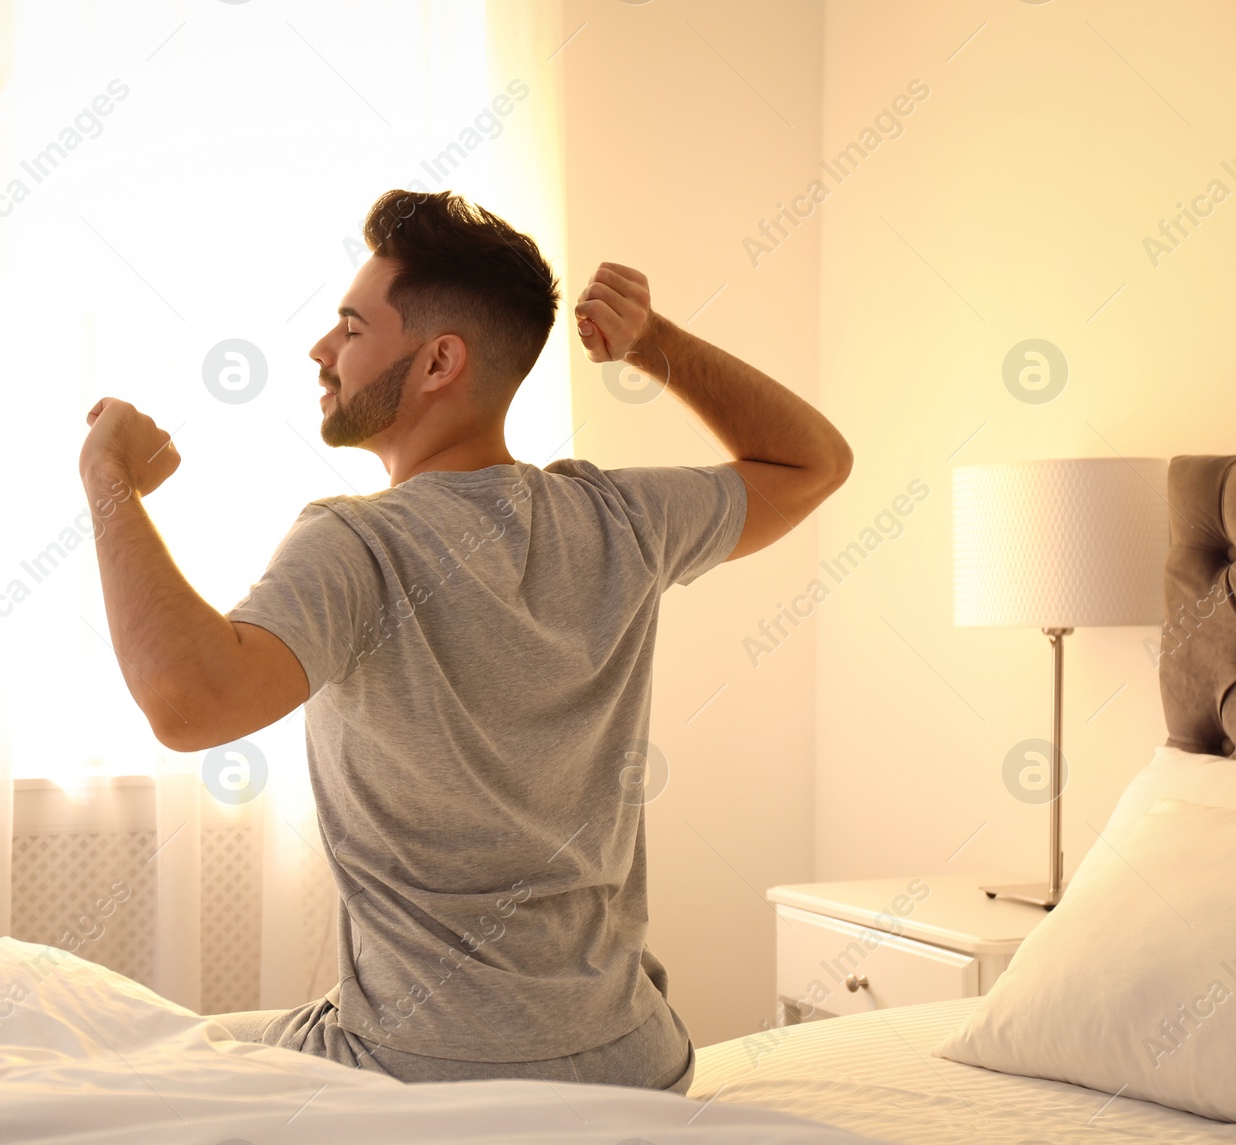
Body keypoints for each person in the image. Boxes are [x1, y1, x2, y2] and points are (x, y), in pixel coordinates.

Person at [76, 189, 852, 1092]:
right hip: (636, 1061)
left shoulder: (358, 541)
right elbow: (814, 462)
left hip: (423, 1065)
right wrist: (654, 344)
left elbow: (188, 701)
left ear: (440, 359)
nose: (322, 351)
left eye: (350, 327)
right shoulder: (619, 517)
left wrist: (108, 482)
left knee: (130, 1061)